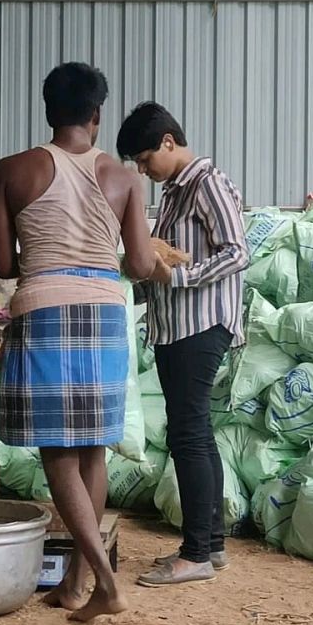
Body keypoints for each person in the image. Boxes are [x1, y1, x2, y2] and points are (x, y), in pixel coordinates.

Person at [0, 62, 156, 621]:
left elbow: (6, 262)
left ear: (46, 111)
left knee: (58, 449)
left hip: (44, 307)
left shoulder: (12, 170)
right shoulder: (126, 178)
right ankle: (77, 585)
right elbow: (138, 263)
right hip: (107, 312)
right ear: (97, 115)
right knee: (91, 447)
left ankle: (105, 583)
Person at [116, 102, 249, 587]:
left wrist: (177, 276)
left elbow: (237, 252)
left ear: (168, 142)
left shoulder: (206, 183)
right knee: (195, 431)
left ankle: (193, 555)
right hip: (176, 327)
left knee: (188, 435)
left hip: (200, 325)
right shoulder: (175, 191)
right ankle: (210, 546)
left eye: (146, 159)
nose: (142, 170)